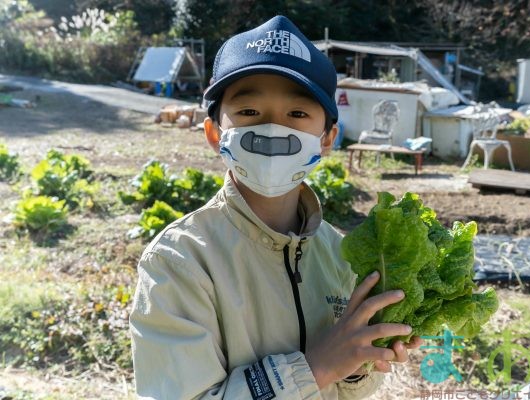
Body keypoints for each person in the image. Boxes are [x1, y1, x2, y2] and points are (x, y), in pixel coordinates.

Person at [130, 15, 422, 399]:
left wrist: (357, 365)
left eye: (297, 114)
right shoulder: (180, 261)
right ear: (215, 134)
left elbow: (345, 389)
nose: (272, 130)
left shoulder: (341, 257)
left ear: (327, 139)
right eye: (249, 112)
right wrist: (317, 367)